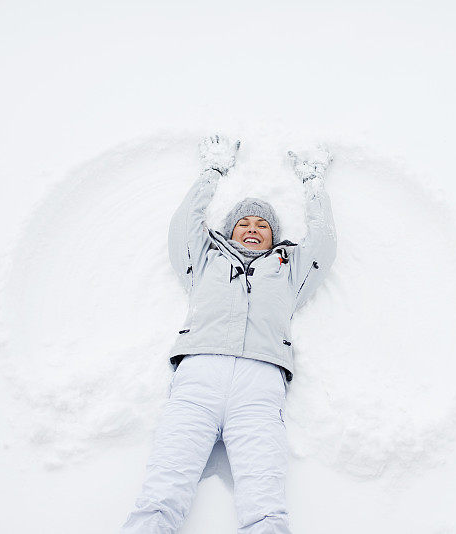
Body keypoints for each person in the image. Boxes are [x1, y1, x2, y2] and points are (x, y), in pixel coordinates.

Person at [120, 135, 337, 534]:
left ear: (274, 236)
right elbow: (185, 227)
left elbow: (322, 242)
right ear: (229, 231)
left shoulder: (289, 270)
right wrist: (211, 172)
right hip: (198, 379)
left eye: (262, 226)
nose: (253, 230)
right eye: (244, 223)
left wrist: (313, 186)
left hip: (259, 385)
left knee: (265, 505)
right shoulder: (205, 261)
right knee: (161, 494)